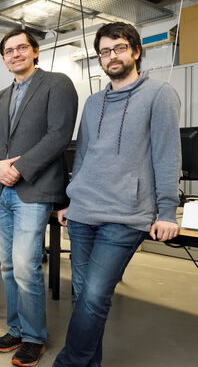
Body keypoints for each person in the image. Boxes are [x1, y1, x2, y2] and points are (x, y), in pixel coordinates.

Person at [53, 22, 181, 367]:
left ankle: (68, 363)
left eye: (120, 48)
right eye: (105, 51)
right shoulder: (93, 103)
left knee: (94, 295)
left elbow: (167, 154)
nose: (112, 56)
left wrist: (168, 210)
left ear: (136, 51)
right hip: (83, 213)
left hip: (126, 216)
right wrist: (70, 200)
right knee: (82, 296)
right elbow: (82, 156)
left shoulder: (159, 94)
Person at [0, 28, 78, 366]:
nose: (15, 54)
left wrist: (18, 169)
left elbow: (58, 135)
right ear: (4, 58)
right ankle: (17, 329)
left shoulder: (57, 84)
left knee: (24, 265)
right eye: (9, 50)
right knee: (8, 265)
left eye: (22, 48)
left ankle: (34, 337)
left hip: (32, 190)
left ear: (35, 51)